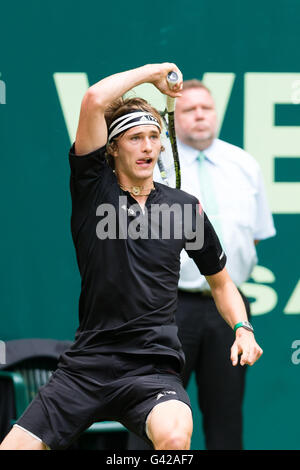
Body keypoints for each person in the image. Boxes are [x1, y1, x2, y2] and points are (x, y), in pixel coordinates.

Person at [0, 64, 263, 451]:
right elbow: (93, 100)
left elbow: (222, 282)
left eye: (153, 136)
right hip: (87, 367)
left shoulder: (183, 209)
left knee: (175, 437)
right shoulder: (93, 189)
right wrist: (153, 73)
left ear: (161, 144)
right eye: (135, 137)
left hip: (152, 368)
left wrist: (243, 328)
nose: (146, 146)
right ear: (113, 146)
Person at [128, 79, 275, 450]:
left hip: (228, 309)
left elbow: (252, 236)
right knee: (155, 417)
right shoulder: (155, 166)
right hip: (166, 307)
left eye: (205, 109)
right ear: (173, 120)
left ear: (216, 113)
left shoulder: (244, 163)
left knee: (225, 419)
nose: (199, 116)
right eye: (189, 110)